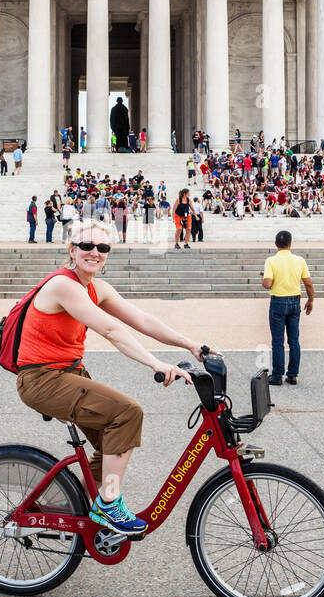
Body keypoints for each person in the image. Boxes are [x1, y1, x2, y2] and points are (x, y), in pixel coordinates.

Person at [13, 219, 202, 536]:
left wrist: (191, 344)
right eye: (86, 246)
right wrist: (155, 363)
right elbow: (111, 329)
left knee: (116, 442)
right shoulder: (62, 286)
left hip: (69, 374)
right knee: (127, 414)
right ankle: (108, 505)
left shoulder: (96, 288)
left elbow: (141, 319)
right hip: (42, 379)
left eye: (103, 247)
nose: (95, 252)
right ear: (72, 250)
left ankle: (74, 506)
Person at [262, 230, 314, 387]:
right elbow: (308, 283)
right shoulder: (299, 260)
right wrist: (311, 300)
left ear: (276, 244)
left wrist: (263, 279)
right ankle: (292, 375)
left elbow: (268, 284)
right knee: (294, 340)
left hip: (278, 301)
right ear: (290, 244)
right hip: (294, 301)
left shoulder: (271, 261)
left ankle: (277, 375)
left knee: (278, 341)